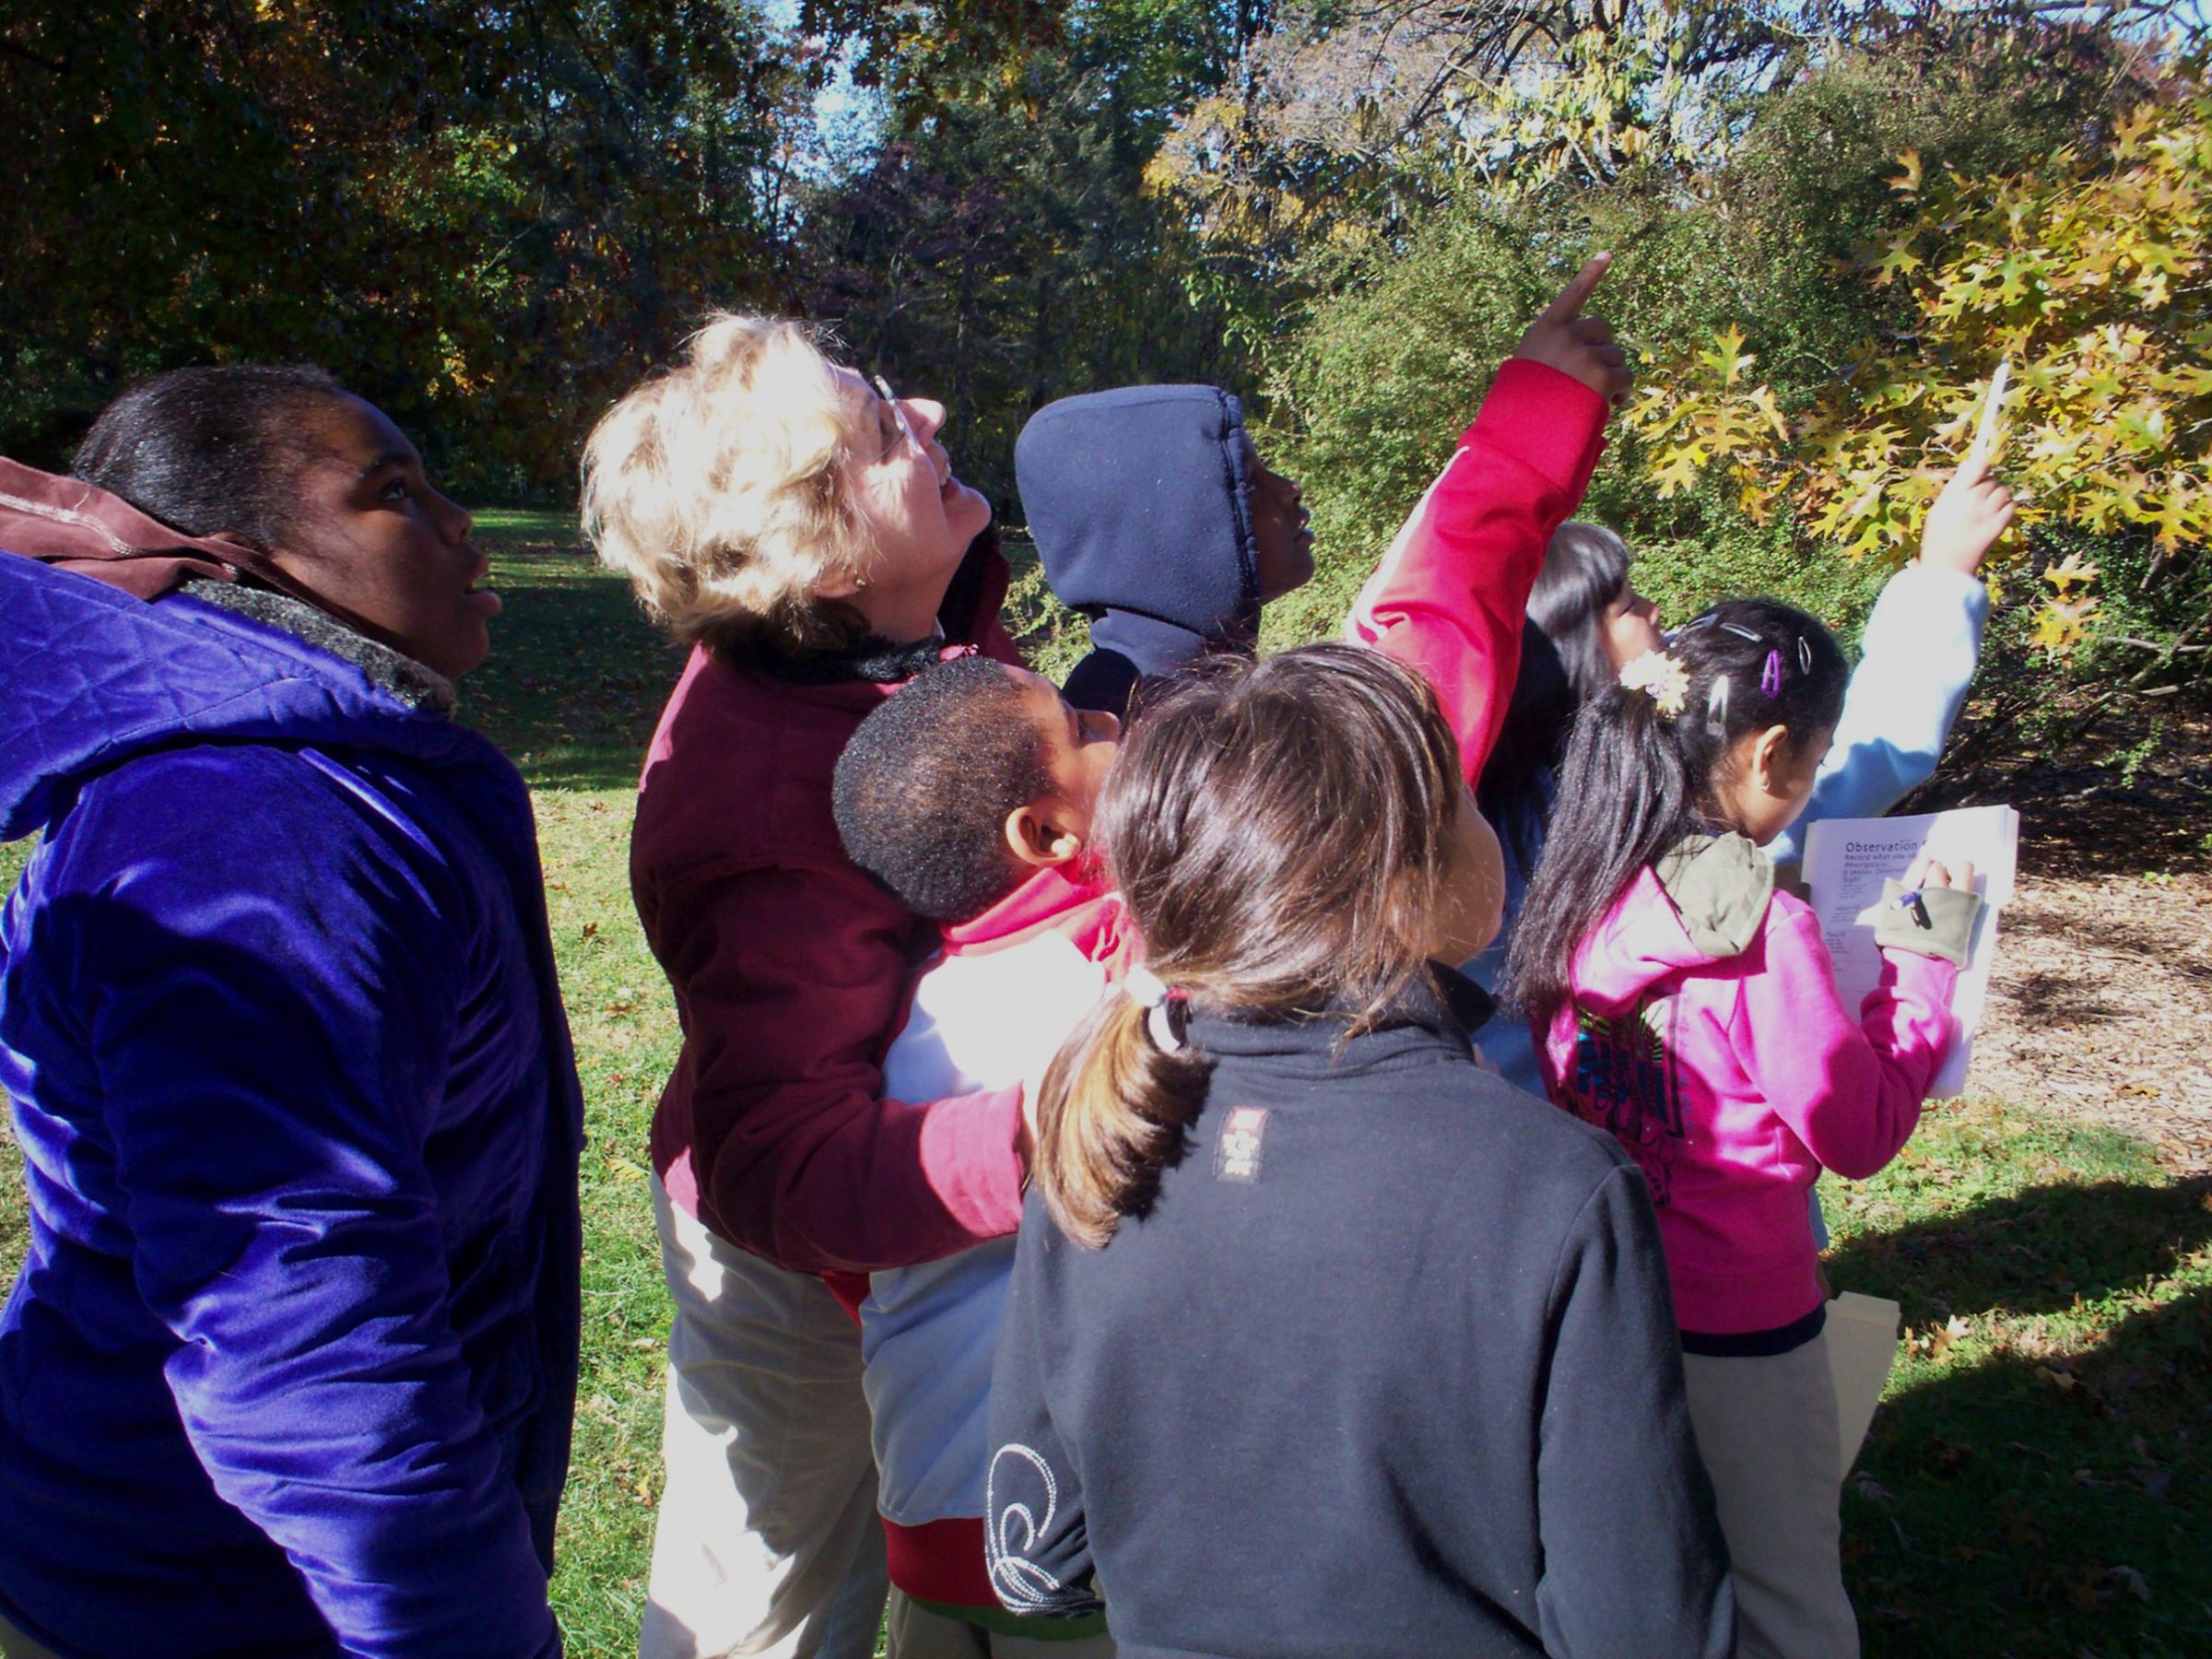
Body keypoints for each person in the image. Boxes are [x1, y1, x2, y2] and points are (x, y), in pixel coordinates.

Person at [581, 321, 1284, 1659]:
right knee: (768, 1600)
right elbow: (774, 1164)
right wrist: (1057, 1121)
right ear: (824, 543)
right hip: (800, 1254)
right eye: (881, 429)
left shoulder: (906, 625)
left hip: (918, 1197)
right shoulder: (758, 805)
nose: (928, 406)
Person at [983, 645, 1734, 1659]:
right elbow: (1646, 1629)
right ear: (1400, 887)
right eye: (1461, 798)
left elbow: (1034, 1562)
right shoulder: (1554, 1189)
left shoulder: (1100, 1138)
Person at [0, 366, 582, 1658]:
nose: (458, 521)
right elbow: (297, 1322)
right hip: (218, 1595)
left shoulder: (318, 788)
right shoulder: (249, 837)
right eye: (391, 492)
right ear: (243, 560)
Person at [1506, 598, 1983, 1659]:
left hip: (1608, 1307)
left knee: (1643, 1571)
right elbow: (1856, 1131)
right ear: (1771, 752)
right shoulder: (1762, 933)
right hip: (1746, 1327)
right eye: (1813, 765)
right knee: (1785, 1601)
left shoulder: (1582, 876)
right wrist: (1921, 963)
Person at [1472, 454, 2016, 1095]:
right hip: (1691, 1170)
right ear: (1571, 648)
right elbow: (1858, 761)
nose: (1654, 611)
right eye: (1624, 604)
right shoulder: (1676, 804)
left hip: (1551, 1155)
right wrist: (1944, 580)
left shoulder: (1477, 817)